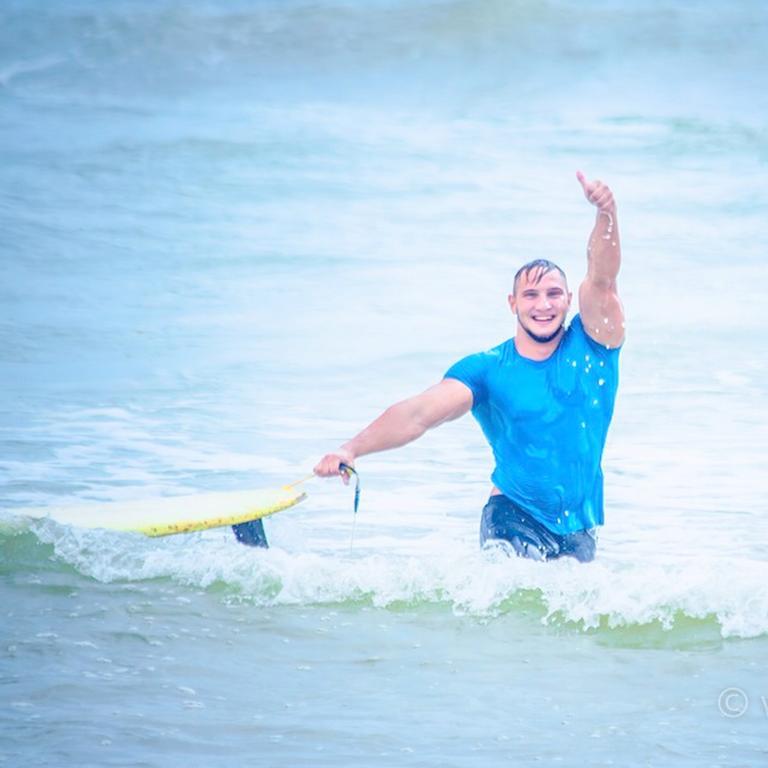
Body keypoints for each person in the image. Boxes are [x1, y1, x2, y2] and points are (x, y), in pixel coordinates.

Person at [312, 172, 624, 563]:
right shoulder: (488, 370)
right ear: (512, 303)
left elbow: (602, 280)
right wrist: (351, 448)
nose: (542, 305)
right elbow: (419, 414)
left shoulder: (595, 345)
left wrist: (606, 213)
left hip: (580, 528)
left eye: (553, 294)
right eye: (530, 295)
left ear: (567, 301)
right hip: (513, 516)